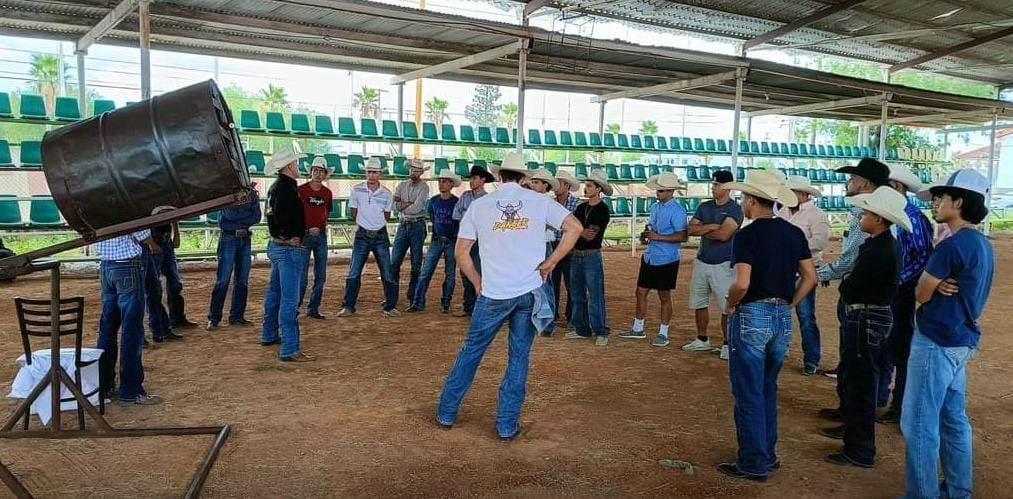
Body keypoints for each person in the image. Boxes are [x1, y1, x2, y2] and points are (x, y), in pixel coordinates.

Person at [436, 152, 582, 440]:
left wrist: (477, 283)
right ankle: (505, 425)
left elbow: (461, 253)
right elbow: (574, 228)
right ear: (524, 178)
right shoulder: (541, 202)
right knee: (518, 357)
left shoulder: (480, 206)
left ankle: (446, 412)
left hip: (493, 292)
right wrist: (550, 263)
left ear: (499, 175)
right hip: (528, 290)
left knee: (471, 352)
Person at [715, 169, 816, 481]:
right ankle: (766, 455)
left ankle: (753, 461)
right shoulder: (793, 232)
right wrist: (790, 304)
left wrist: (730, 304)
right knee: (767, 387)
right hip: (781, 316)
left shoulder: (747, 235)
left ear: (749, 201)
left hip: (752, 313)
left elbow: (742, 283)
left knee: (748, 392)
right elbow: (810, 277)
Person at [903, 169, 993, 499]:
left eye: (942, 197)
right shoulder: (981, 243)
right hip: (960, 339)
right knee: (952, 419)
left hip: (937, 340)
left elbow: (921, 293)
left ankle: (921, 494)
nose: (936, 203)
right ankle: (958, 491)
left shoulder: (951, 246)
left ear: (959, 202)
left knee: (919, 422)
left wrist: (931, 284)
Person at [819, 186, 908, 468]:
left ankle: (859, 448)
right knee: (861, 379)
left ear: (879, 219)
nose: (861, 217)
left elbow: (852, 285)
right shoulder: (882, 245)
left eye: (866, 213)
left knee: (861, 382)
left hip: (866, 316)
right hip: (872, 316)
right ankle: (856, 440)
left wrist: (845, 284)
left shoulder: (878, 248)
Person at [816, 158, 891, 423]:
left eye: (852, 179)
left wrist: (818, 274)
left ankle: (853, 417)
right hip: (865, 296)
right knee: (860, 359)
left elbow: (849, 260)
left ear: (865, 183)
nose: (847, 183)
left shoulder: (869, 219)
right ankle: (851, 412)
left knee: (857, 359)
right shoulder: (871, 217)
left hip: (861, 299)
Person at [876, 166, 934, 424]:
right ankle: (885, 397)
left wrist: (895, 280)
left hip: (902, 292)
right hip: (896, 289)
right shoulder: (902, 214)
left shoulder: (913, 217)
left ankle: (899, 405)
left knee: (899, 347)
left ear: (897, 187)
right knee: (888, 345)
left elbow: (922, 257)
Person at [617, 173, 688, 347]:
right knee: (641, 292)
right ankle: (639, 328)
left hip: (665, 258)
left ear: (671, 191)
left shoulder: (677, 210)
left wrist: (657, 236)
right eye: (658, 189)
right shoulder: (657, 207)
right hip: (653, 255)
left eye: (661, 190)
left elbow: (683, 236)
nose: (658, 192)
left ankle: (662, 332)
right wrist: (649, 235)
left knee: (663, 295)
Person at [94, 230, 164, 406]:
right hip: (127, 266)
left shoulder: (89, 206)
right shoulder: (119, 203)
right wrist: (152, 243)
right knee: (131, 330)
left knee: (107, 328)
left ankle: (104, 385)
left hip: (106, 265)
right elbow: (141, 232)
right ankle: (131, 391)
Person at [684, 169, 743, 360]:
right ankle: (702, 339)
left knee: (727, 305)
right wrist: (710, 227)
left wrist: (702, 230)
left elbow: (723, 235)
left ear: (726, 187)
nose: (713, 187)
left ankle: (727, 343)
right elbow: (690, 230)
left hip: (723, 263)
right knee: (699, 301)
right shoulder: (705, 206)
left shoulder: (735, 209)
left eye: (716, 184)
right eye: (713, 184)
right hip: (703, 260)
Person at [261, 146, 312, 362]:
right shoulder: (286, 188)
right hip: (287, 248)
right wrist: (288, 237)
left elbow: (272, 217)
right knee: (289, 300)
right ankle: (290, 348)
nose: (298, 166)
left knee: (275, 294)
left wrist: (279, 236)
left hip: (278, 246)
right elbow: (280, 219)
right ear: (290, 166)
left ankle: (269, 334)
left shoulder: (277, 187)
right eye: (296, 163)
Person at [777, 176, 830, 375]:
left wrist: (792, 247)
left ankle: (811, 358)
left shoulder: (816, 214)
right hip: (788, 268)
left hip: (804, 269)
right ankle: (783, 352)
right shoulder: (783, 212)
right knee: (786, 312)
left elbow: (821, 241)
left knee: (805, 316)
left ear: (803, 194)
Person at [339, 157, 398, 317]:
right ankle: (350, 306)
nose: (372, 175)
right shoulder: (358, 190)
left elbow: (385, 215)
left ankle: (387, 305)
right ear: (366, 173)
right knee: (356, 271)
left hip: (374, 233)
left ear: (379, 174)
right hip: (368, 233)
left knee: (384, 271)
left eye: (375, 172)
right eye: (369, 172)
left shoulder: (386, 193)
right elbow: (355, 212)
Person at [564, 170, 612, 346]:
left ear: (598, 189)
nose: (586, 188)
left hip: (589, 254)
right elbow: (576, 230)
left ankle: (599, 329)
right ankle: (584, 328)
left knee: (593, 294)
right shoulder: (582, 207)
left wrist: (577, 230)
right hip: (580, 254)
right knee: (577, 293)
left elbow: (587, 234)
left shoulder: (602, 209)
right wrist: (578, 231)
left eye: (590, 185)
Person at [206, 184, 262, 330]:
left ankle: (234, 316)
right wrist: (245, 218)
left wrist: (236, 217)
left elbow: (257, 217)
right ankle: (215, 317)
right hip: (232, 238)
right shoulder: (229, 192)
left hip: (237, 238)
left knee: (241, 280)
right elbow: (247, 216)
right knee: (224, 280)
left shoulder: (249, 194)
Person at [409, 171, 461, 313]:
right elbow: (433, 218)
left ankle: (442, 303)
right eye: (440, 181)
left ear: (451, 184)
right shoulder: (435, 201)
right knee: (428, 272)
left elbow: (435, 218)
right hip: (440, 240)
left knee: (447, 273)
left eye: (444, 181)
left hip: (448, 240)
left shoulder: (454, 202)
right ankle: (421, 302)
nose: (441, 184)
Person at [451, 164, 494, 317]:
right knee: (467, 272)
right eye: (471, 178)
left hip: (476, 240)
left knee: (476, 271)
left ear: (483, 180)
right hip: (473, 239)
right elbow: (455, 215)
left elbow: (458, 215)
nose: (472, 181)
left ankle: (478, 307)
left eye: (475, 178)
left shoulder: (486, 199)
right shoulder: (468, 196)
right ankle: (470, 307)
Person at [390, 159, 431, 311]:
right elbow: (394, 205)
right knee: (394, 263)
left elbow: (417, 208)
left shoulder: (423, 187)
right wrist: (407, 204)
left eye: (417, 170)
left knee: (415, 264)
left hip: (415, 225)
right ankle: (392, 296)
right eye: (412, 169)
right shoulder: (403, 185)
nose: (414, 172)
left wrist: (402, 205)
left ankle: (412, 297)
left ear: (421, 172)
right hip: (406, 224)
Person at [545, 169, 582, 336]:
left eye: (559, 183)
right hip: (556, 245)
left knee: (570, 285)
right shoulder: (553, 203)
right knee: (553, 284)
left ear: (567, 185)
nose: (555, 186)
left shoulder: (577, 204)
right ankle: (552, 317)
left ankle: (571, 318)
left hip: (568, 247)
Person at [298, 157, 333, 320]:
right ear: (311, 172)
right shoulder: (301, 190)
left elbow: (327, 213)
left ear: (325, 174)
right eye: (315, 170)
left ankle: (313, 308)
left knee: (320, 275)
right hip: (305, 235)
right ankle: (297, 307)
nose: (318, 174)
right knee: (302, 276)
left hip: (320, 234)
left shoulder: (328, 193)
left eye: (321, 171)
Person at [142, 212, 182, 344]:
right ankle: (159, 330)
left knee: (153, 290)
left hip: (159, 240)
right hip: (151, 243)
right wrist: (151, 243)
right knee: (151, 290)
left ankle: (161, 329)